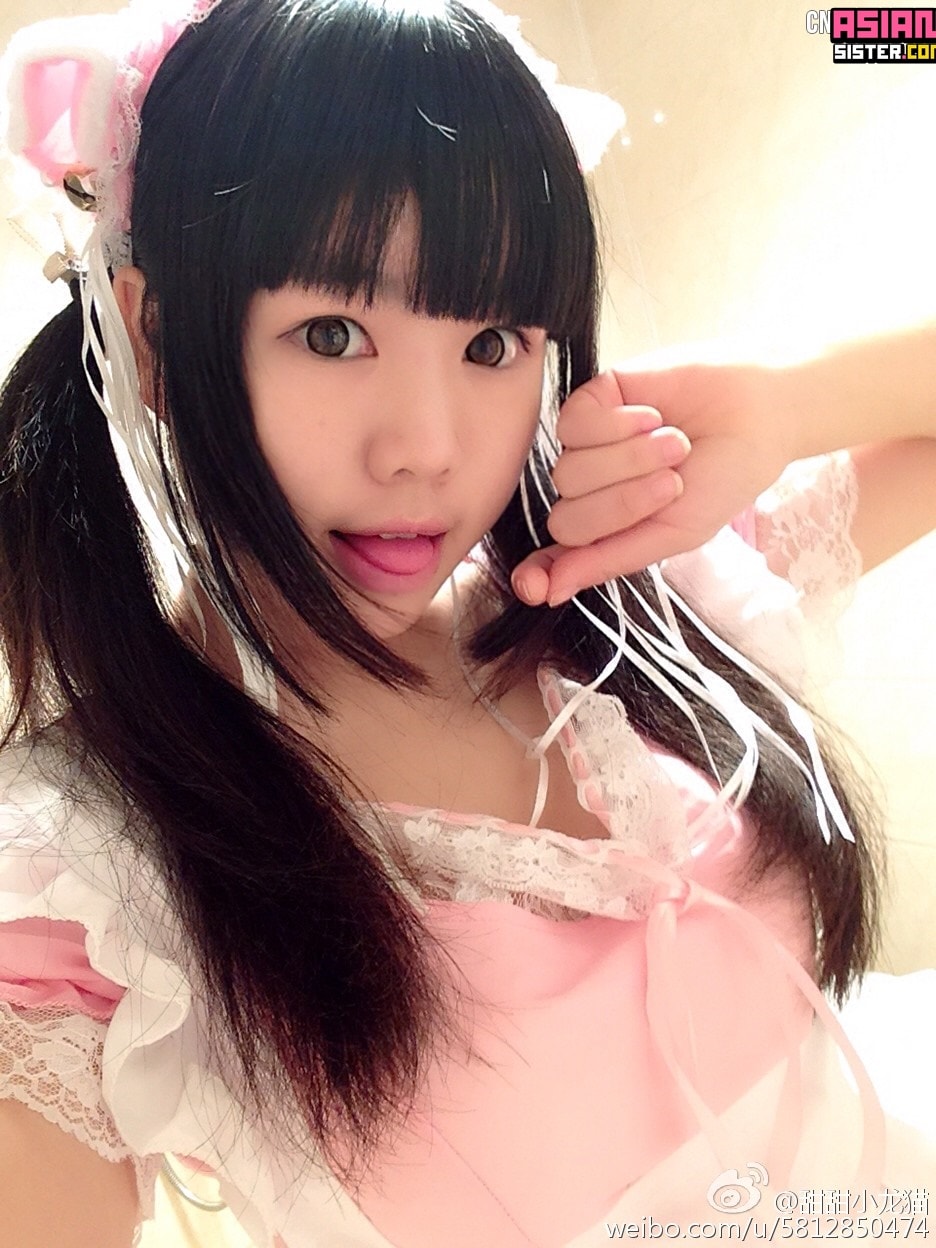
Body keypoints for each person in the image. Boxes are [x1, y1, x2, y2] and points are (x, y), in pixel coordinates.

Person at [0, 0, 933, 1245]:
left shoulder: (632, 594)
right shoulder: (85, 875)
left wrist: (782, 401)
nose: (429, 451)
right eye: (334, 334)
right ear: (155, 334)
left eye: (492, 340)